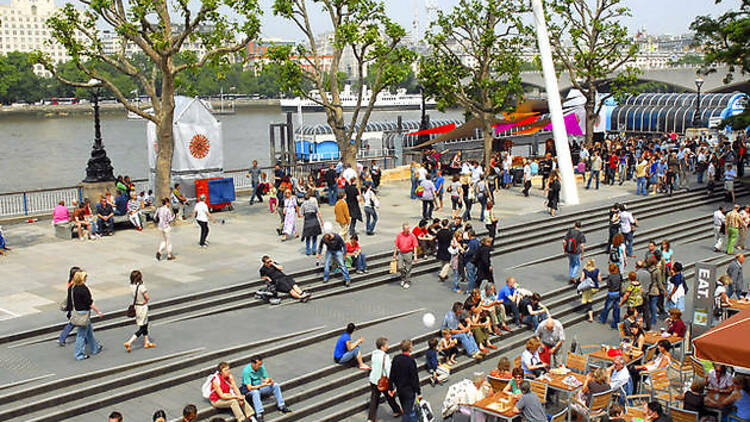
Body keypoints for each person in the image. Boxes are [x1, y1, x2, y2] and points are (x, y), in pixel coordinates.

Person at [240, 355, 291, 422]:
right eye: (259, 365)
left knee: (275, 385)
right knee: (255, 392)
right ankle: (259, 414)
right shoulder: (246, 371)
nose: (260, 366)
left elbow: (266, 377)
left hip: (260, 386)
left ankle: (281, 405)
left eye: (261, 364)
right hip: (250, 391)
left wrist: (269, 381)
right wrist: (263, 385)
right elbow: (249, 387)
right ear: (253, 364)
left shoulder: (261, 367)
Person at [66, 270, 103, 360]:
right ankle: (79, 354)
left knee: (89, 331)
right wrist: (98, 311)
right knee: (81, 335)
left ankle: (95, 348)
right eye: (85, 277)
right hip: (84, 314)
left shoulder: (73, 287)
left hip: (77, 312)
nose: (86, 279)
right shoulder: (83, 289)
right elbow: (89, 302)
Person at [368, 337, 403, 422]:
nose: (388, 346)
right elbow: (388, 370)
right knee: (389, 396)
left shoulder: (374, 354)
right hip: (383, 381)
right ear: (382, 347)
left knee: (374, 399)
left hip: (373, 379)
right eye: (387, 345)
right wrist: (393, 382)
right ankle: (396, 411)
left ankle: (371, 418)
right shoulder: (385, 357)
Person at [123, 270, 156, 352]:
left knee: (144, 324)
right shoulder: (141, 287)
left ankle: (146, 341)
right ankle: (129, 342)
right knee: (143, 327)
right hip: (142, 307)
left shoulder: (131, 287)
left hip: (137, 307)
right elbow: (147, 297)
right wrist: (145, 301)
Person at [389, 339, 421, 422]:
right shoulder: (411, 361)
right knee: (407, 412)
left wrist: (390, 388)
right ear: (410, 348)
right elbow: (414, 378)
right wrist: (418, 392)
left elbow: (392, 374)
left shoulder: (396, 359)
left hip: (400, 389)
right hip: (409, 390)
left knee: (405, 408)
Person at [58, 266, 81, 346]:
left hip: (75, 308)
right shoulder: (73, 285)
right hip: (76, 308)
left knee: (76, 325)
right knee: (76, 325)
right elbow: (72, 298)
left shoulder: (72, 283)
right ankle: (61, 338)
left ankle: (62, 338)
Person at [393, 223, 419, 289]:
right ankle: (403, 277)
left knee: (408, 268)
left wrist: (415, 256)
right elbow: (397, 245)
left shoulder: (412, 236)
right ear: (403, 229)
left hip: (409, 252)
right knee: (400, 267)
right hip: (401, 252)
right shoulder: (399, 235)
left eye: (408, 229)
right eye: (406, 229)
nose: (408, 230)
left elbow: (415, 246)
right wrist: (395, 254)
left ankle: (407, 281)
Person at [600, 263, 623, 328]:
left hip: (611, 293)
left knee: (607, 307)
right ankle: (615, 323)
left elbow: (608, 285)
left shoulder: (610, 276)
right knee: (616, 308)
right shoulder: (619, 275)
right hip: (618, 293)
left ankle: (603, 319)